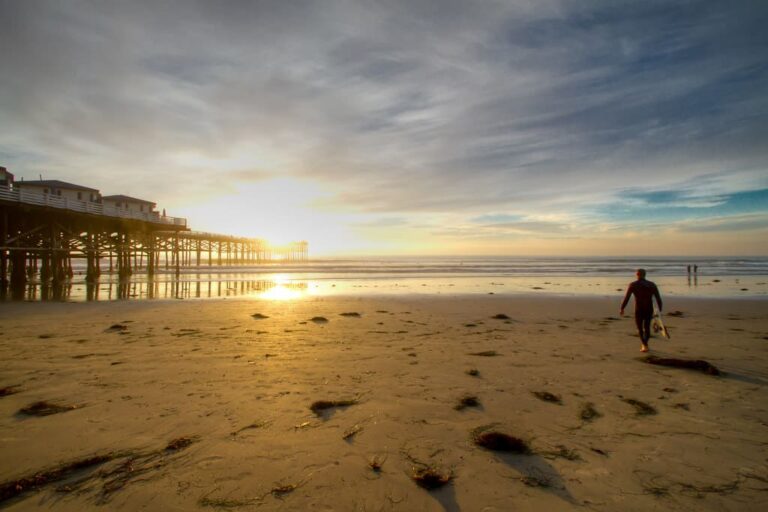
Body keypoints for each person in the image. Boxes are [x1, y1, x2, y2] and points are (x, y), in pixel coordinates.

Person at [620, 268, 663, 352]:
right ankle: (645, 344)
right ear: (645, 274)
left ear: (637, 275)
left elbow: (627, 298)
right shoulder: (652, 285)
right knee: (647, 328)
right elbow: (658, 298)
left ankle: (644, 345)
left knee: (639, 329)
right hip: (649, 309)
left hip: (639, 309)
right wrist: (659, 311)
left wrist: (622, 308)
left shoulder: (633, 285)